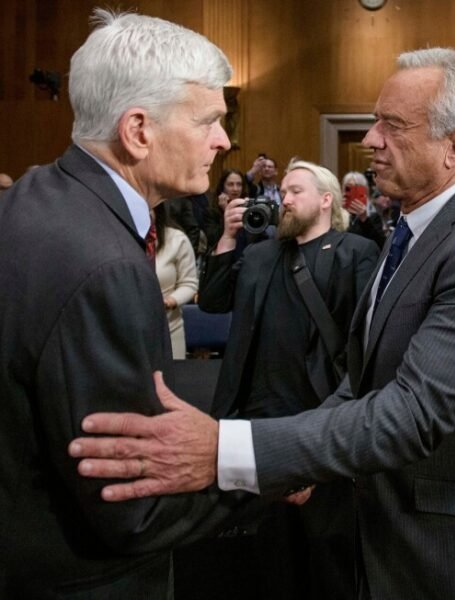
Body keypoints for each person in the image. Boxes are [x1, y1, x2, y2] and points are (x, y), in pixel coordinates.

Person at [70, 48, 455, 599]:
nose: (370, 139)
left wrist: (226, 449)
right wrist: (294, 464)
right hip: (387, 541)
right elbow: (364, 379)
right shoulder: (414, 230)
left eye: (392, 125)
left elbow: (413, 412)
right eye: (374, 121)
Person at [0, 9, 260, 599]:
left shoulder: (33, 197)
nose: (223, 140)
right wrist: (264, 473)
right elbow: (132, 506)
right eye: (209, 120)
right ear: (138, 131)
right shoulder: (107, 265)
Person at [196, 159, 378, 599]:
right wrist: (228, 237)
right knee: (269, 557)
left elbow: (363, 344)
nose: (286, 199)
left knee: (326, 555)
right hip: (258, 418)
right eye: (284, 192)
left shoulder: (355, 252)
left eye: (297, 191)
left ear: (326, 200)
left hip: (320, 418)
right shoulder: (260, 255)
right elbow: (213, 302)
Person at [153, 203, 199, 360]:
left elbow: (189, 284)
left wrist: (169, 301)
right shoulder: (117, 238)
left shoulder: (176, 239)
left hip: (169, 328)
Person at [342, 170, 386, 250]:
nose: (352, 193)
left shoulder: (373, 216)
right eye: (348, 188)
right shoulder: (338, 215)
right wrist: (339, 211)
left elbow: (381, 244)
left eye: (356, 189)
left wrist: (365, 219)